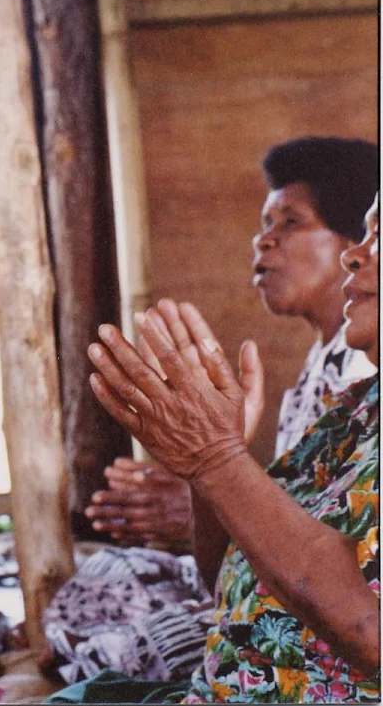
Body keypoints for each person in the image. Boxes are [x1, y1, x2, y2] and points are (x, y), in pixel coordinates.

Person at [87, 191, 380, 703]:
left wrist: (219, 462)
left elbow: (371, 634)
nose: (354, 254)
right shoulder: (359, 406)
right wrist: (214, 472)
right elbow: (226, 577)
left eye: (380, 237)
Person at [86, 137, 378, 551]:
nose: (263, 240)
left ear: (354, 246)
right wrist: (206, 490)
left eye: (290, 221)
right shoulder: (326, 357)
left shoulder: (364, 367)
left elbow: (336, 539)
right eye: (266, 223)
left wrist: (213, 487)